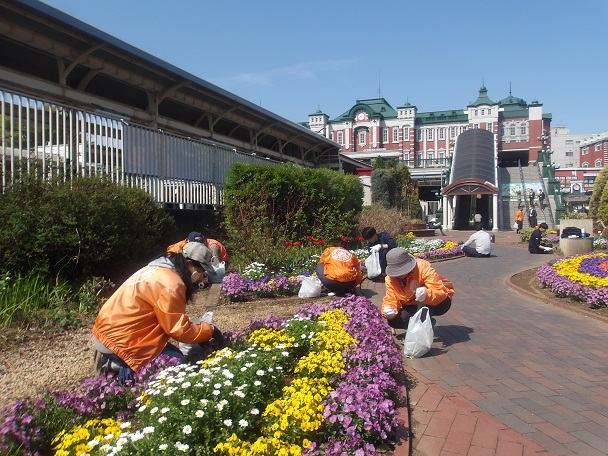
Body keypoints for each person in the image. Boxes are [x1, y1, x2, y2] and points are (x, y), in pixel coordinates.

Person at [92, 242, 223, 382]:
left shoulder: (158, 268)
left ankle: (123, 364)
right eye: (200, 270)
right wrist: (210, 331)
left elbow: (171, 318)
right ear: (188, 263)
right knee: (177, 367)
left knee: (174, 355)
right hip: (121, 341)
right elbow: (178, 330)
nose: (201, 276)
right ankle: (121, 372)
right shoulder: (171, 284)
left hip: (113, 331)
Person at [382, 247, 455, 331]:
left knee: (425, 289)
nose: (400, 275)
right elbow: (391, 298)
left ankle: (424, 325)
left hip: (439, 302)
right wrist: (389, 309)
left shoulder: (423, 267)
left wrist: (426, 294)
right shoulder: (389, 279)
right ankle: (417, 331)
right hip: (411, 304)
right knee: (394, 321)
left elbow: (439, 290)